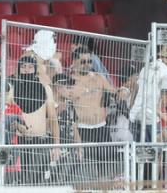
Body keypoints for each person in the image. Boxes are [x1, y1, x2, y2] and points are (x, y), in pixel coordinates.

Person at [10, 55, 60, 184]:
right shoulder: (11, 89)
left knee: (38, 183)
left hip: (40, 143)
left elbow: (53, 119)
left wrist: (57, 145)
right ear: (18, 69)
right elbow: (6, 116)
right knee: (20, 182)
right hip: (18, 143)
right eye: (23, 66)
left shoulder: (46, 88)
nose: (27, 70)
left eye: (30, 67)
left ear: (35, 69)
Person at [69, 45, 116, 178]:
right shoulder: (70, 82)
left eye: (90, 61)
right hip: (83, 129)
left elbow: (114, 92)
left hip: (102, 127)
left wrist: (125, 91)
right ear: (75, 61)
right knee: (86, 168)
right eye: (83, 62)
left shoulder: (99, 77)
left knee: (106, 165)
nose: (87, 65)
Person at [129, 44, 167, 142]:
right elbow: (164, 99)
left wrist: (132, 108)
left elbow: (136, 89)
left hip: (136, 115)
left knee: (137, 149)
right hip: (151, 118)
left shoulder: (146, 67)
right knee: (154, 149)